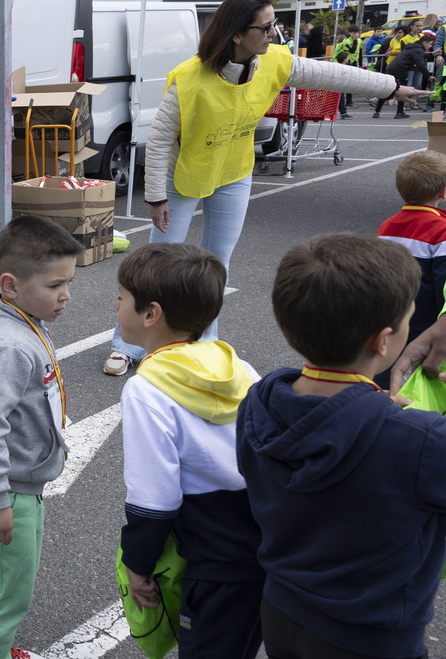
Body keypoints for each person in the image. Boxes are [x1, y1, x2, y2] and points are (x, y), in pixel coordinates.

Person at [103, 0, 423, 376]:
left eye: (274, 24)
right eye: (266, 26)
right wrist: (155, 196)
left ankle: (205, 344)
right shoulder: (188, 78)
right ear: (237, 35)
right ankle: (127, 344)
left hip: (234, 172)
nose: (275, 32)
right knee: (159, 265)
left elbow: (335, 74)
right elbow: (157, 141)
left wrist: (391, 88)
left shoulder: (274, 62)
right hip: (183, 177)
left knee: (217, 264)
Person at [238, 233, 446, 659]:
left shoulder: (257, 404)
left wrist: (364, 409)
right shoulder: (420, 442)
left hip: (280, 610)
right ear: (383, 341)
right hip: (371, 638)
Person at [116, 243, 263, 658]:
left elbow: (154, 497)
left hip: (211, 557)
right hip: (261, 540)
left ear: (150, 314)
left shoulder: (146, 389)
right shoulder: (237, 365)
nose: (115, 304)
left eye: (122, 297)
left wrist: (138, 563)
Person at [0, 216, 83, 659]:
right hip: (7, 490)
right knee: (7, 593)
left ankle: (0, 649)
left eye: (68, 282)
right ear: (10, 285)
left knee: (15, 581)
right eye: (56, 285)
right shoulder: (11, 346)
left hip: (18, 487)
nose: (66, 294)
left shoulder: (26, 323)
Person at [375, 150, 446, 390]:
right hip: (428, 321)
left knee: (385, 372)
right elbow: (442, 282)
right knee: (427, 379)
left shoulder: (387, 226)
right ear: (443, 192)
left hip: (393, 316)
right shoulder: (441, 230)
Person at [373, 33, 433, 119]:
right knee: (402, 90)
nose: (430, 46)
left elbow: (421, 55)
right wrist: (428, 76)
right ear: (424, 43)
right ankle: (399, 113)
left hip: (392, 68)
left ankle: (377, 111)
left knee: (387, 89)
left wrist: (432, 54)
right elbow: (421, 65)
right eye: (430, 44)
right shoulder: (418, 50)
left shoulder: (413, 47)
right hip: (401, 71)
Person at [333, 25, 363, 117]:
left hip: (354, 63)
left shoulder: (359, 41)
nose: (356, 34)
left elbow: (360, 52)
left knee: (351, 83)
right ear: (350, 33)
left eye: (357, 32)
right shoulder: (346, 41)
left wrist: (361, 65)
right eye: (354, 33)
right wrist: (354, 40)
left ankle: (349, 102)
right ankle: (346, 105)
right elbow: (352, 50)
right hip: (346, 64)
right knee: (344, 86)